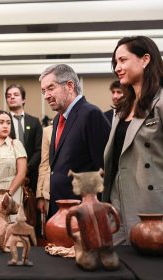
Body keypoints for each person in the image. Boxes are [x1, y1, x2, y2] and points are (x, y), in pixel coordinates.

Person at [103, 36, 163, 245]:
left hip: (152, 207)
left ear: (145, 59)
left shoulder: (161, 102)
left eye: (123, 60)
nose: (118, 67)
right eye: (116, 63)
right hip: (118, 205)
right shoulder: (121, 109)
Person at [39, 64, 110, 218]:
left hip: (83, 213)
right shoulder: (58, 119)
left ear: (70, 86)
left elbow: (105, 168)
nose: (46, 95)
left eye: (50, 88)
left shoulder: (91, 114)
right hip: (60, 209)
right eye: (43, 91)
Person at [5, 84, 42, 197]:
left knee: (30, 212)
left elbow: (39, 149)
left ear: (23, 99)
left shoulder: (34, 122)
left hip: (31, 175)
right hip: (8, 174)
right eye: (9, 95)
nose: (12, 97)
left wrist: (26, 168)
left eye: (16, 95)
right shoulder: (2, 121)